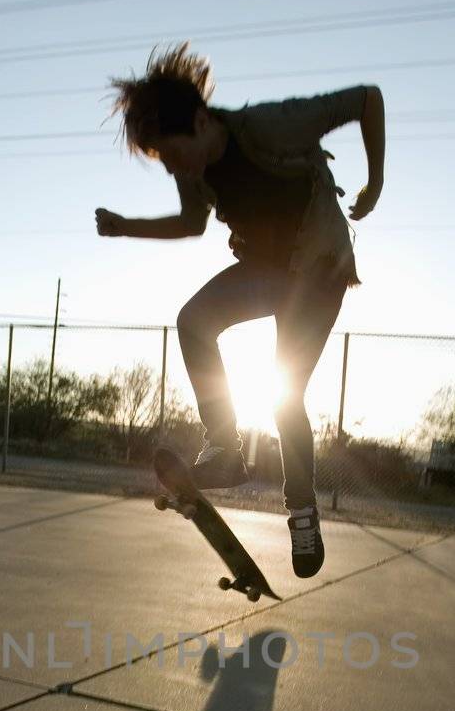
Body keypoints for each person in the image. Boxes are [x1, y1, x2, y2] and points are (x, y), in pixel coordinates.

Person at [97, 42, 384, 576]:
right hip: (266, 273)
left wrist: (376, 181)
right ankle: (224, 447)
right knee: (194, 321)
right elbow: (191, 223)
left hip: (318, 274)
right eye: (163, 160)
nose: (174, 168)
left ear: (202, 121)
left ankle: (301, 513)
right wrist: (124, 226)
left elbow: (368, 100)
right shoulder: (190, 167)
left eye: (175, 154)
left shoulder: (274, 126)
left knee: (286, 396)